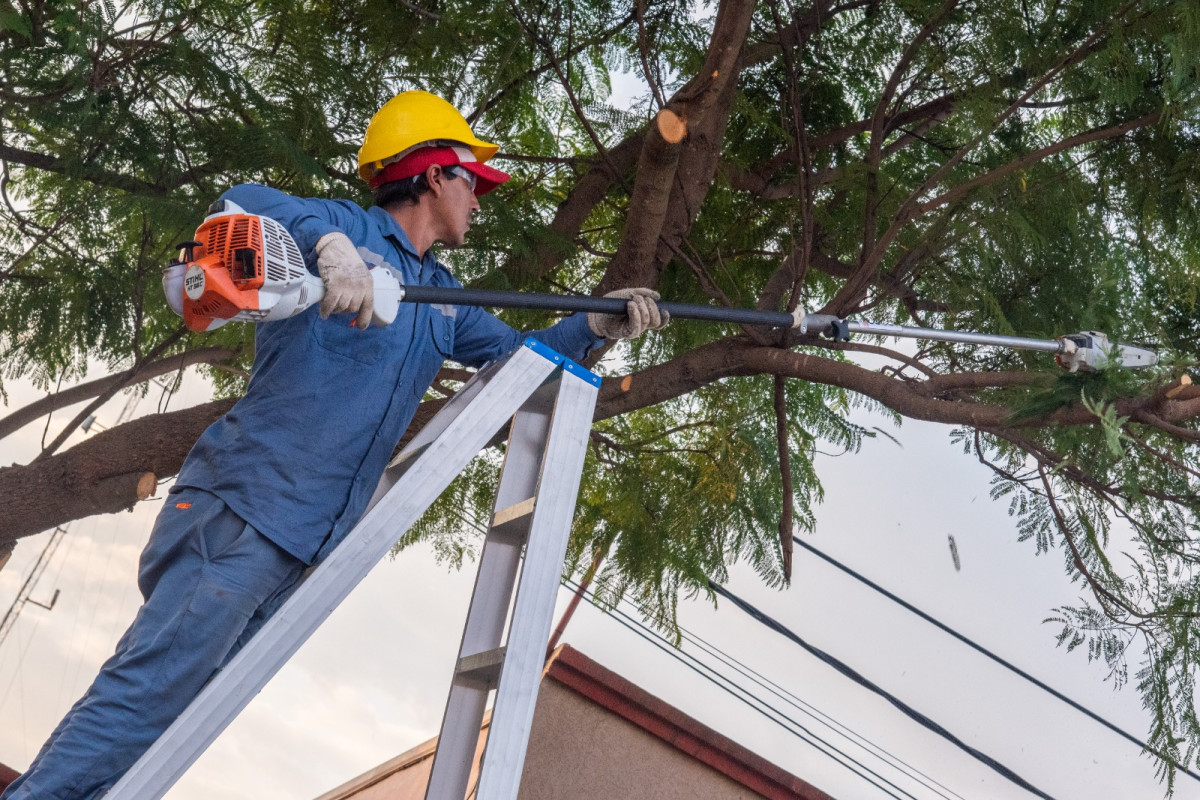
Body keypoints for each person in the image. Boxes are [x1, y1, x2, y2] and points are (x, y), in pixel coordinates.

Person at [2, 90, 666, 800]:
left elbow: (519, 362)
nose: (481, 200)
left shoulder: (441, 298)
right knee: (142, 704)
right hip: (242, 518)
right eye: (474, 181)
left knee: (169, 738)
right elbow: (239, 196)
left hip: (301, 547)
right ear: (435, 174)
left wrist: (597, 327)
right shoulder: (340, 233)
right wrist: (330, 248)